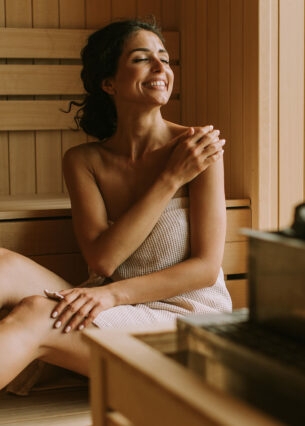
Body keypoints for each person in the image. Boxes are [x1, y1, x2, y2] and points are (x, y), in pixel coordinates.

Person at [0, 18, 231, 390]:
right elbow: (103, 261)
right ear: (109, 83)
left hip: (189, 322)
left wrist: (108, 295)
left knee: (35, 314)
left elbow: (205, 269)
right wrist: (170, 179)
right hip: (115, 307)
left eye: (165, 59)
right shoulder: (85, 161)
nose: (161, 68)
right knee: (3, 264)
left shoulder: (197, 149)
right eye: (143, 59)